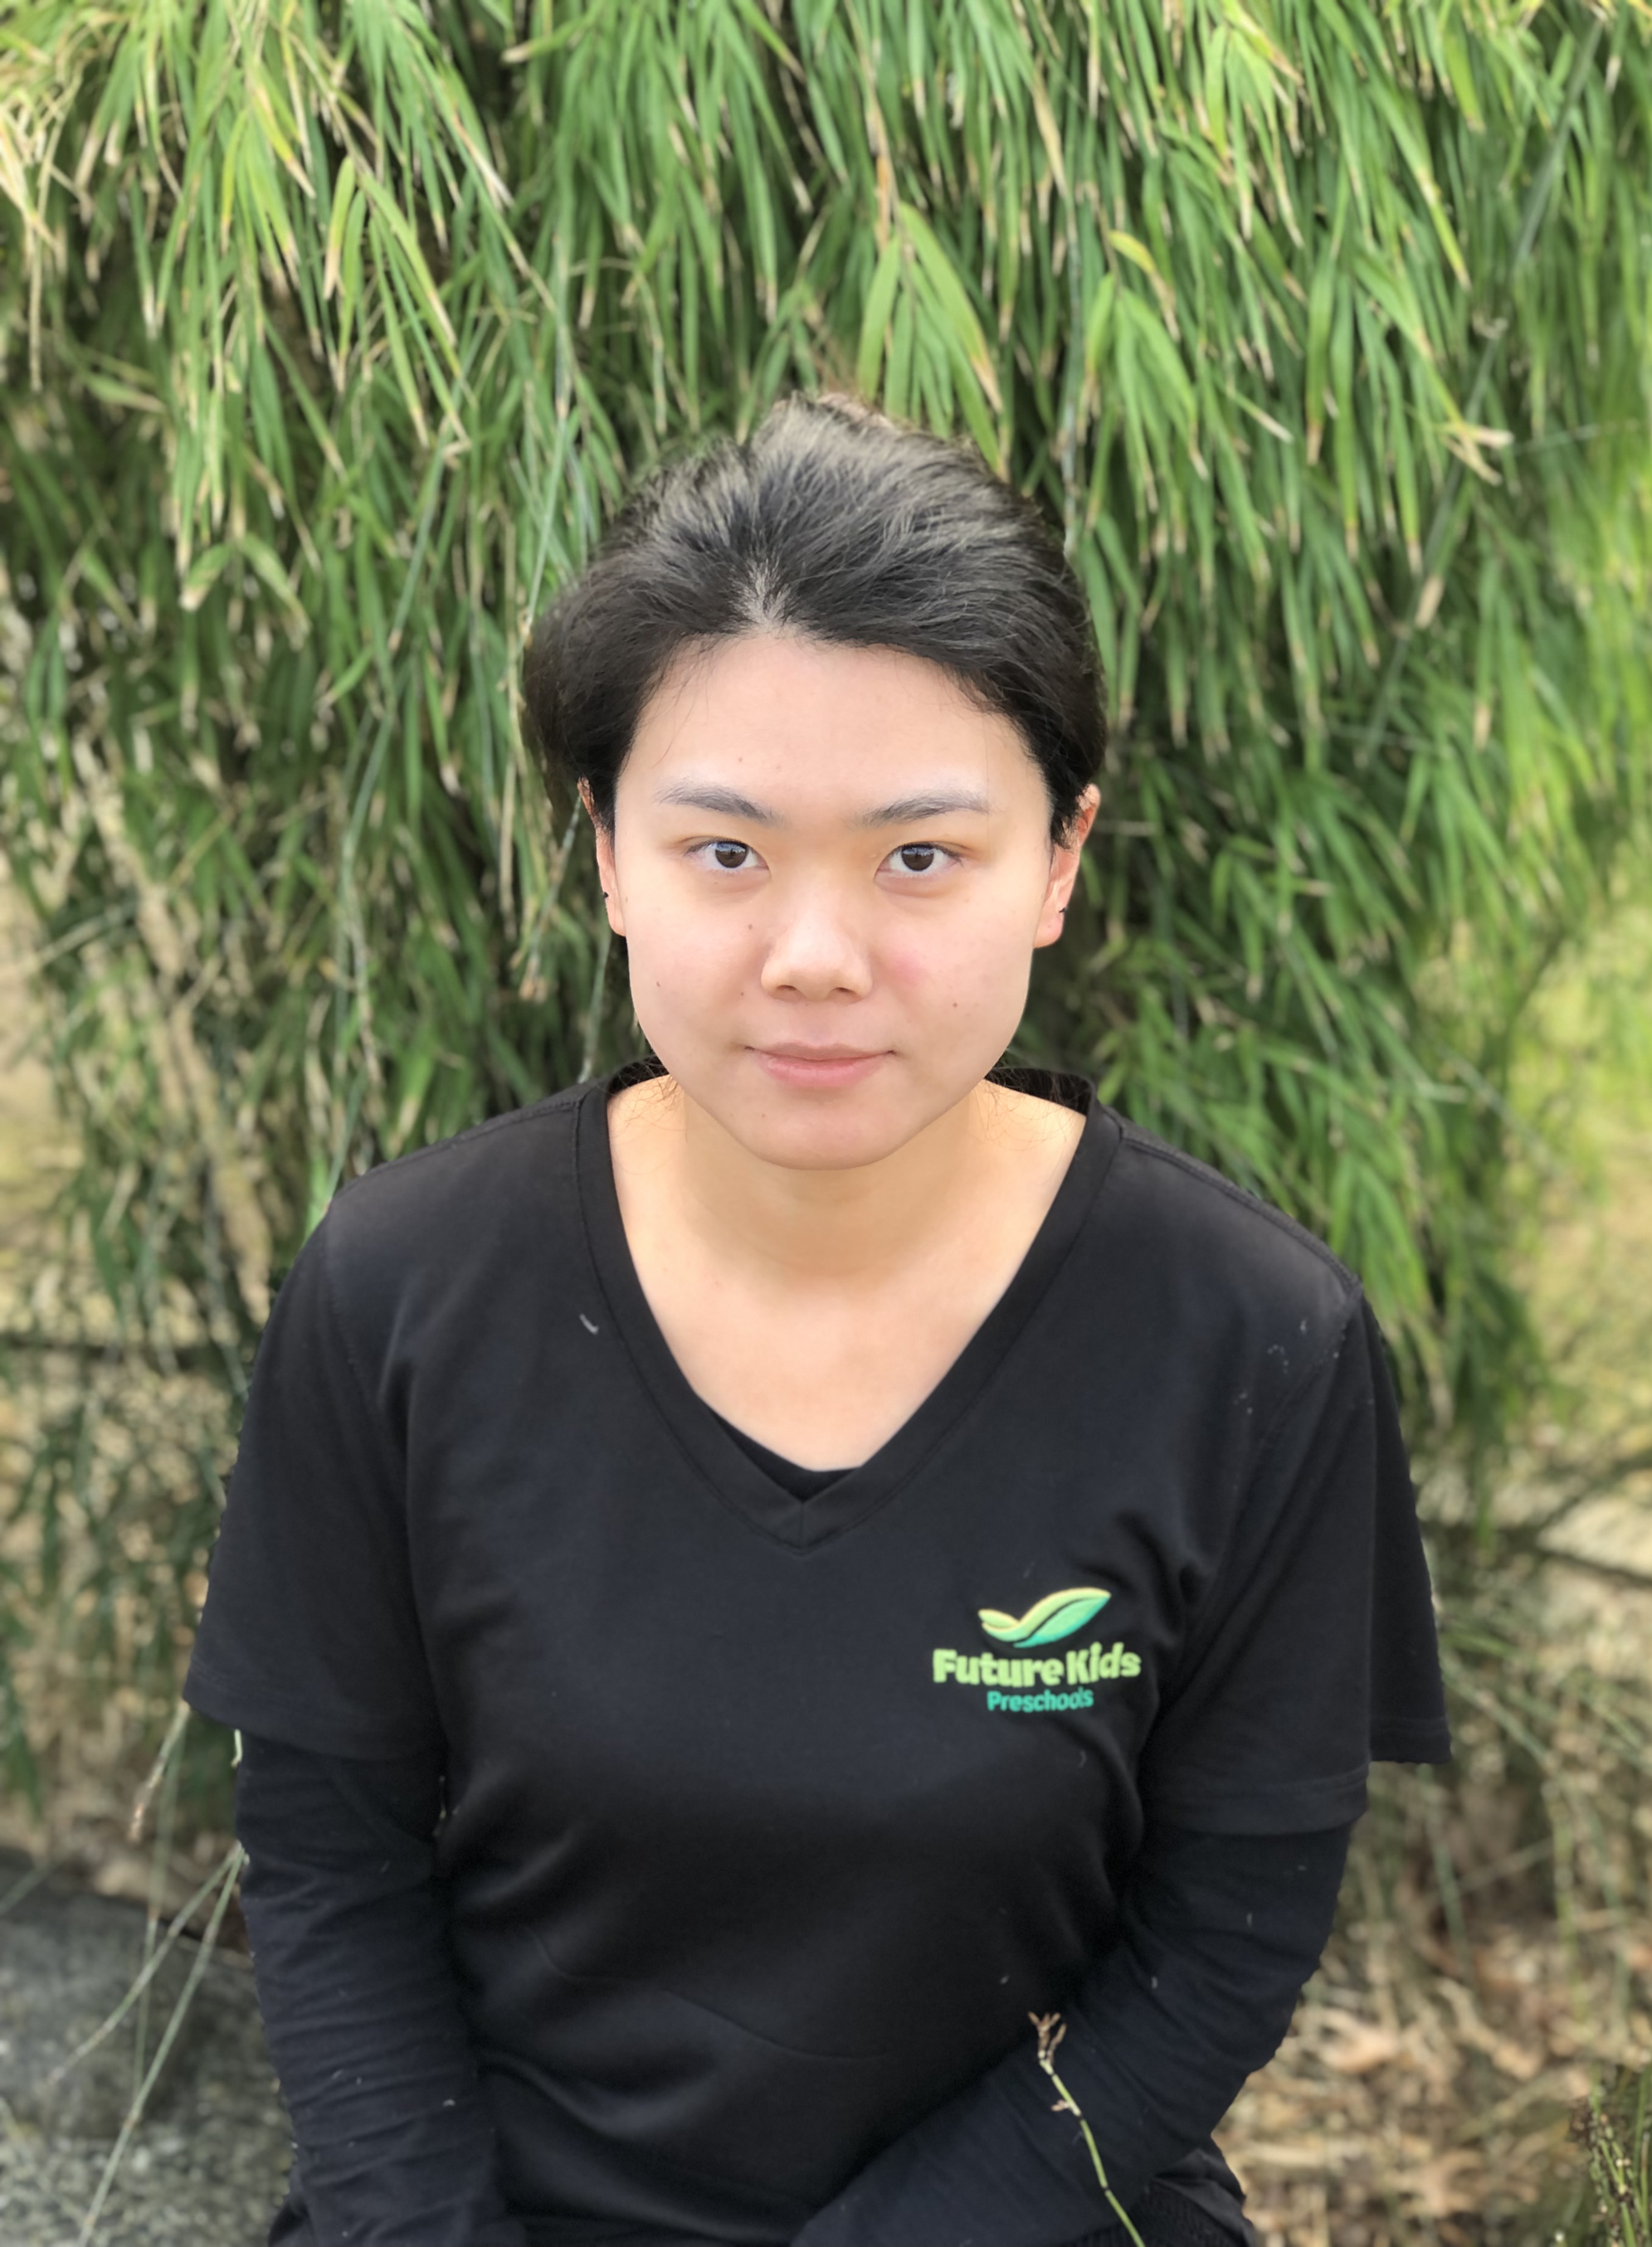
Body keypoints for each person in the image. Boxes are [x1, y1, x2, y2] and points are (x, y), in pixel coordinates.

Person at [186, 396, 1451, 2247]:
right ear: (606, 853)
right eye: (727, 852)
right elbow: (327, 1866)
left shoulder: (1251, 1341)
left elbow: (1225, 1937)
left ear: (1062, 858)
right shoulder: (404, 1288)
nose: (815, 958)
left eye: (919, 857)